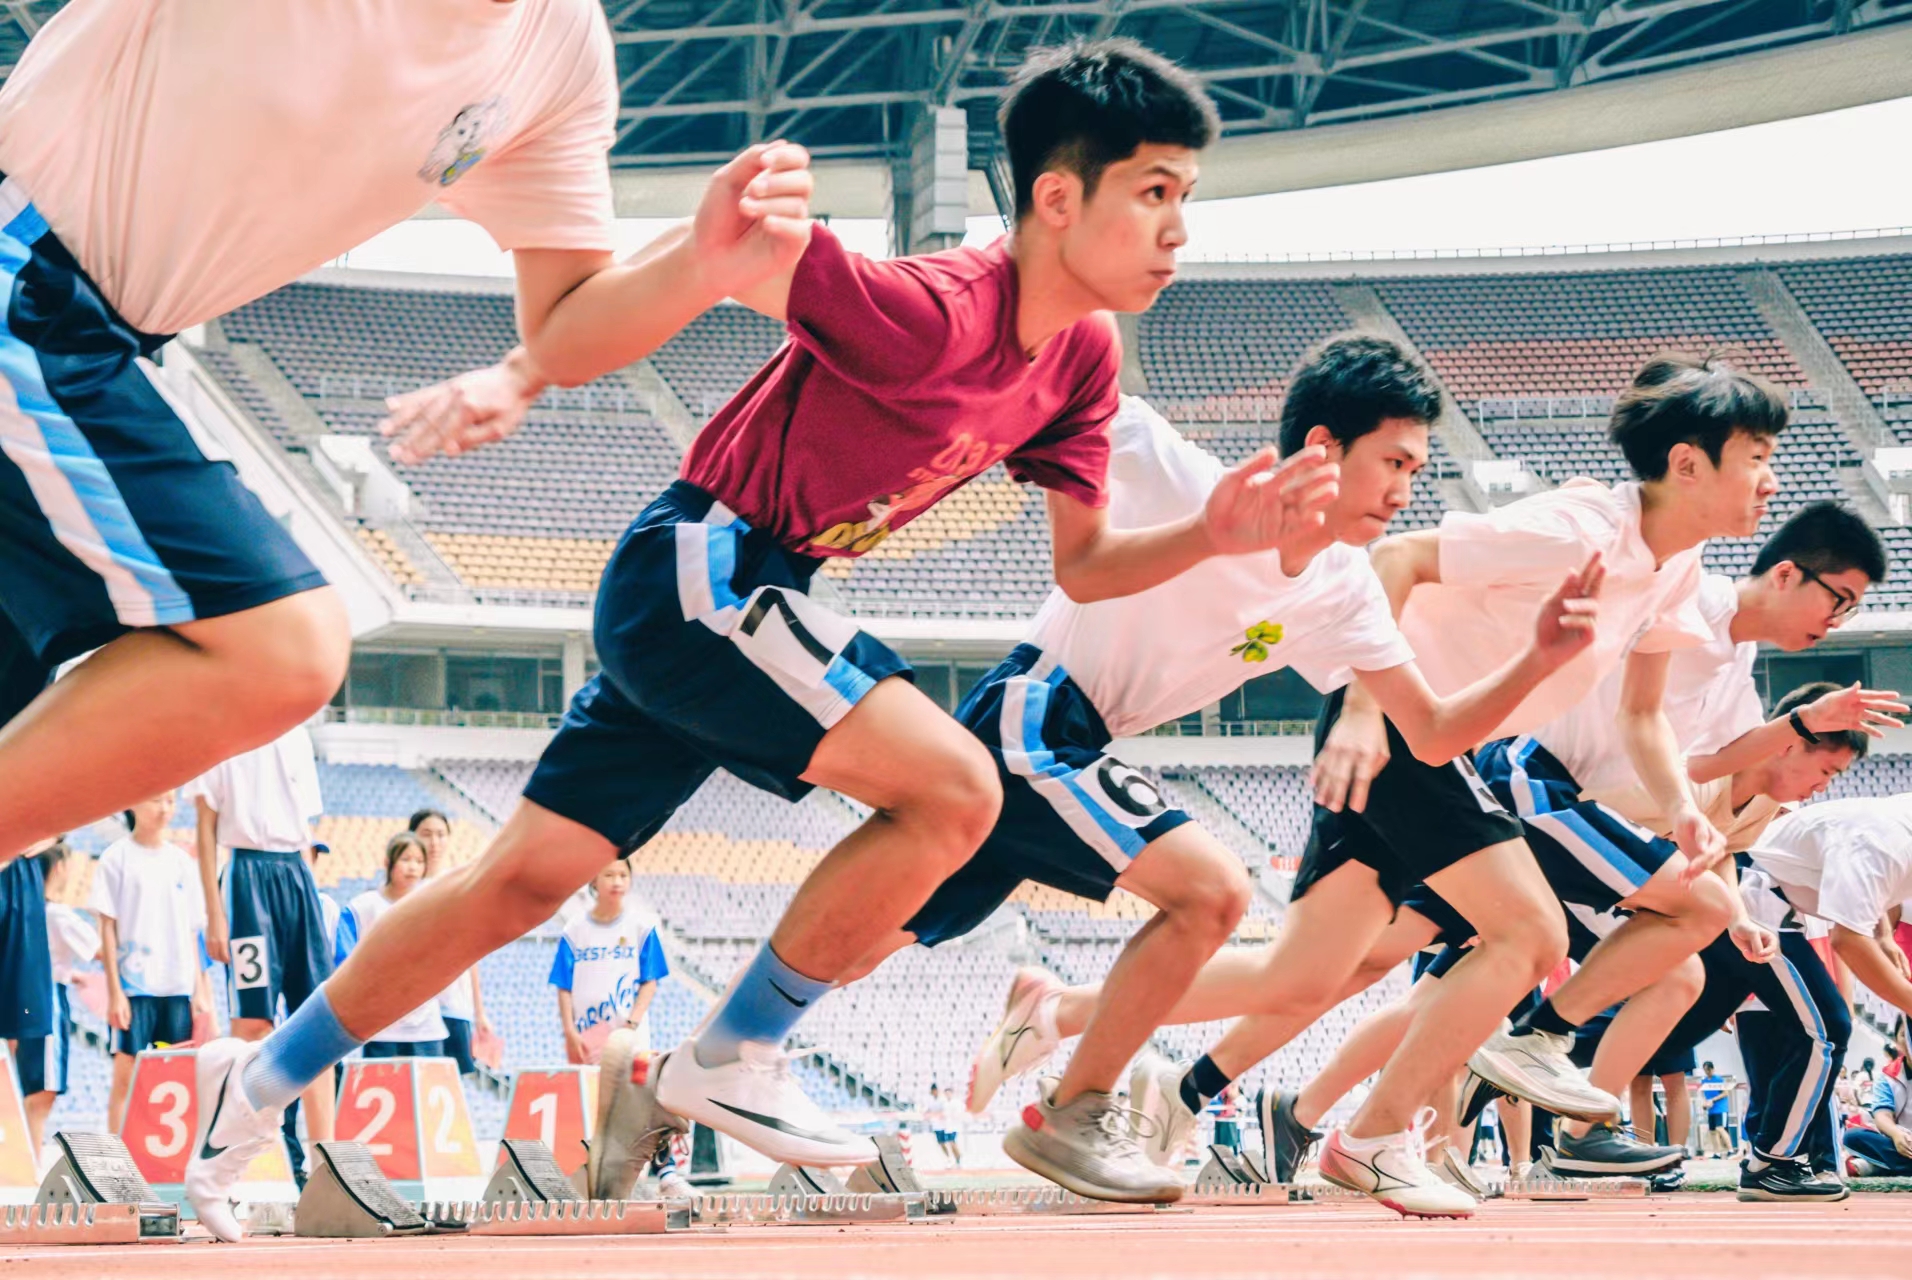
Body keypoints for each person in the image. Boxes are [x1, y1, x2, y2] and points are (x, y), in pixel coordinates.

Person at [189, 38, 1322, 1222]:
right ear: (1056, 198)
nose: (1177, 229)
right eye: (1153, 192)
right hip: (705, 563)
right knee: (957, 788)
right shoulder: (932, 311)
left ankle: (247, 1088)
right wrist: (525, 369)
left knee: (514, 884)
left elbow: (1085, 566)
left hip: (736, 594)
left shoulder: (1080, 360)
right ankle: (734, 1049)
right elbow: (738, 253)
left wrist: (1213, 533)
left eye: (1186, 196)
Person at [0, 0, 818, 874]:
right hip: (29, 274)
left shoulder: (558, 47)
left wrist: (700, 264)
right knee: (277, 650)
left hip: (90, 329)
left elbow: (563, 326)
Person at [972, 350, 1787, 1215]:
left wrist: (1672, 800)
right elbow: (1397, 560)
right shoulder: (1579, 528)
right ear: (1688, 463)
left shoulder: (1673, 570)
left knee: (1307, 975)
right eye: (1757, 458)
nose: (1769, 480)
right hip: (1386, 733)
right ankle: (1384, 1130)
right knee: (1528, 934)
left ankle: (1062, 1012)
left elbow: (1633, 715)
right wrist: (1363, 714)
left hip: (1439, 739)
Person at [819, 334, 1597, 1205]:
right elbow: (1069, 391)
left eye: (1415, 470)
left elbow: (1435, 730)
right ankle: (1072, 1111)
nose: (1403, 492)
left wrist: (1537, 659)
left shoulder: (1342, 586)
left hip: (1080, 742)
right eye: (1392, 463)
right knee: (1211, 892)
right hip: (1033, 714)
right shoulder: (1188, 478)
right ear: (1323, 449)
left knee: (858, 947)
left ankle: (748, 1085)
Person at [1653, 796, 1912, 1199]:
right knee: (1827, 1030)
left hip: (1757, 900)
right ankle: (1772, 1163)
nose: (1820, 784)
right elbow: (1847, 940)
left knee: (1674, 1031)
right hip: (1757, 900)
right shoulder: (1887, 836)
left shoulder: (1892, 829)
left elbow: (1876, 891)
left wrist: (1882, 935)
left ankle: (1560, 1054)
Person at [183, 724, 337, 1152]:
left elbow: (305, 824)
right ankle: (251, 1154)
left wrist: (307, 894)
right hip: (245, 878)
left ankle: (324, 1158)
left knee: (320, 1021)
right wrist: (214, 913)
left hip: (296, 874)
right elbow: (205, 828)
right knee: (253, 1022)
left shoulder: (298, 735)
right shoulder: (219, 734)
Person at [92, 791, 213, 1131]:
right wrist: (115, 992)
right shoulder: (115, 858)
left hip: (177, 989)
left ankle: (170, 1157)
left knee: (175, 1079)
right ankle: (118, 1155)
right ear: (134, 802)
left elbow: (192, 931)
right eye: (157, 800)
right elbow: (107, 927)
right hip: (134, 988)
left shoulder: (182, 862)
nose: (165, 808)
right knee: (126, 1076)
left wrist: (199, 989)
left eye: (171, 801)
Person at [17, 839, 97, 1158]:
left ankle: (27, 1157)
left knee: (31, 1085)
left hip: (26, 996)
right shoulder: (58, 914)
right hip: (47, 1000)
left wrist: (69, 972)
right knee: (43, 1090)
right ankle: (32, 1159)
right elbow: (95, 948)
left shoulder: (25, 911)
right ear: (60, 868)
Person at [338, 834, 447, 1059]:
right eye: (406, 859)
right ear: (388, 862)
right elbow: (343, 959)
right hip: (379, 1029)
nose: (413, 867)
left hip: (425, 1027)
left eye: (419, 861)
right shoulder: (363, 907)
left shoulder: (434, 904)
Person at [550, 860, 668, 1065]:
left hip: (629, 1038)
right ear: (594, 880)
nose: (617, 882)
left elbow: (650, 981)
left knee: (629, 1085)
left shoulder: (642, 927)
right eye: (609, 875)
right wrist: (569, 1031)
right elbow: (564, 986)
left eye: (623, 876)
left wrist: (631, 1025)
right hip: (587, 1039)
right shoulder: (574, 929)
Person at [411, 810, 489, 1076]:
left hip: (454, 1005)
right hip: (414, 1012)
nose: (434, 842)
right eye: (426, 834)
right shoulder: (407, 890)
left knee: (451, 1084)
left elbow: (472, 951)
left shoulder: (460, 885)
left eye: (441, 835)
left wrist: (479, 1011)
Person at [1846, 1021, 1912, 1177]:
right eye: (1904, 1035)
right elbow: (1882, 1115)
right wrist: (1896, 1134)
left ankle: (1878, 1167)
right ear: (1896, 1041)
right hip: (1904, 1143)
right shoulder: (1887, 1077)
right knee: (1853, 1137)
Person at [924, 1083, 962, 1169]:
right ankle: (950, 1159)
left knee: (951, 1142)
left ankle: (958, 1159)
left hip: (947, 1126)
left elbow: (951, 1113)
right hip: (939, 1125)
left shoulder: (945, 1101)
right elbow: (929, 1110)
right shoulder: (934, 1100)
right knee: (942, 1143)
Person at [1699, 1061, 1732, 1155]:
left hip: (1720, 1108)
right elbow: (1704, 1095)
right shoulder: (1704, 1081)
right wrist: (1705, 1103)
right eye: (1705, 1070)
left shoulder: (1718, 1079)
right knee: (1712, 1131)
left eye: (1709, 1070)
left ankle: (1730, 1149)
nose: (1707, 1072)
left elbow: (1725, 1093)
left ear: (1712, 1069)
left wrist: (1713, 1100)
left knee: (1720, 1128)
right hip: (1711, 1109)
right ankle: (1717, 1152)